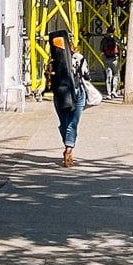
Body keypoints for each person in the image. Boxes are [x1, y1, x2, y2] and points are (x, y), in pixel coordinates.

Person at [47, 23, 85, 166]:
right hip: (77, 91)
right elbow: (86, 74)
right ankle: (69, 149)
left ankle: (67, 145)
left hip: (60, 94)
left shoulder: (53, 60)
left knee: (64, 122)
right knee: (73, 122)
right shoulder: (78, 57)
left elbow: (48, 77)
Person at [100, 31, 119, 97]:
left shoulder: (104, 40)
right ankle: (114, 90)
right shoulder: (115, 38)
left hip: (106, 59)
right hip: (114, 59)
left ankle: (109, 93)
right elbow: (121, 46)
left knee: (108, 76)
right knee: (115, 74)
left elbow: (101, 49)